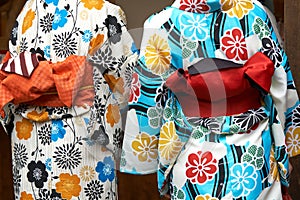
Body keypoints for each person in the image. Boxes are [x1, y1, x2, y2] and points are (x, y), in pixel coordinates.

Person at [120, 0, 300, 199]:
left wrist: (145, 158)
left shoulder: (160, 23)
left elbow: (149, 100)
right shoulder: (254, 12)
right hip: (254, 151)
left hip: (192, 153)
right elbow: (279, 82)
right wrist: (286, 143)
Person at [0, 0, 137, 199]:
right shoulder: (105, 12)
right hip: (84, 133)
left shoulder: (26, 13)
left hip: (29, 138)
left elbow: (8, 81)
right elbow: (128, 85)